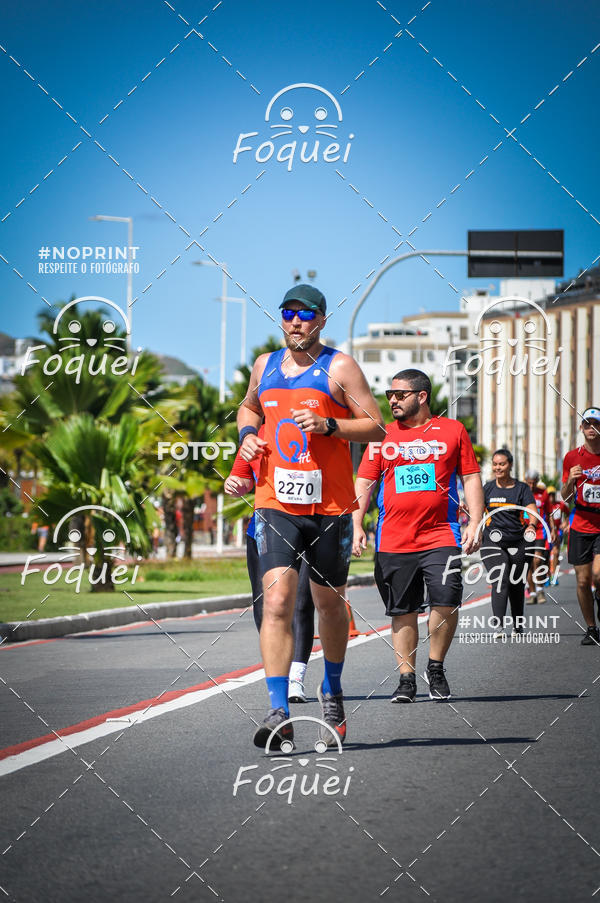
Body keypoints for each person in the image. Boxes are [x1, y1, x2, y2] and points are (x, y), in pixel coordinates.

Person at [238, 284, 384, 748]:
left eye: (305, 315)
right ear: (281, 318)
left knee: (328, 605)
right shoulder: (264, 366)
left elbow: (377, 425)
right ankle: (278, 708)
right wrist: (246, 435)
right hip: (275, 503)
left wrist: (330, 426)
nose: (296, 322)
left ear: (321, 320)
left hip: (331, 508)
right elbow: (249, 406)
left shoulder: (339, 367)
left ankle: (333, 685)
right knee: (278, 601)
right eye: (288, 313)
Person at [352, 369, 484, 703]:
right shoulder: (380, 435)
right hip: (393, 539)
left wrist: (475, 520)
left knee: (447, 597)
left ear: (421, 396)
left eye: (399, 394)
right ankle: (407, 678)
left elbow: (469, 477)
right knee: (403, 610)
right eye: (389, 395)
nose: (392, 400)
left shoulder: (453, 430)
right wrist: (356, 525)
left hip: (440, 534)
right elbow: (365, 482)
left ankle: (435, 667)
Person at [224, 430, 315, 703]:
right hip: (265, 529)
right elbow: (242, 480)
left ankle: (296, 677)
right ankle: (279, 674)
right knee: (264, 604)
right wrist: (234, 484)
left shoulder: (314, 429)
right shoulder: (255, 437)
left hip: (311, 527)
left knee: (300, 602)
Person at [480, 449, 538, 639]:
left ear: (510, 465)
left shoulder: (521, 488)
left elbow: (531, 510)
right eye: (495, 464)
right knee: (500, 576)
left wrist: (531, 526)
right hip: (492, 541)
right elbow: (477, 509)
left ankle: (518, 625)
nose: (498, 467)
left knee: (516, 582)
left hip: (519, 541)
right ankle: (498, 626)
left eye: (502, 464)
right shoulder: (487, 488)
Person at [561, 407, 600, 645]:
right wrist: (569, 480)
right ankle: (592, 627)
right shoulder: (572, 457)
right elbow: (565, 496)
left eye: (595, 424)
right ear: (581, 428)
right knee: (583, 581)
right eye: (587, 424)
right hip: (581, 523)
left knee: (598, 574)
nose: (591, 428)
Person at [523, 470, 553, 604]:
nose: (531, 486)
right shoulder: (521, 492)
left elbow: (549, 512)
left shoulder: (543, 494)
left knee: (537, 560)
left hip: (540, 531)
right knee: (528, 564)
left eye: (533, 483)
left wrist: (552, 529)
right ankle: (533, 592)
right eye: (528, 483)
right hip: (524, 532)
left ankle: (540, 589)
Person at [547, 486, 570, 585]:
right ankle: (548, 576)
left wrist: (565, 523)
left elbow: (568, 513)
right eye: (549, 495)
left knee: (556, 553)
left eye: (552, 495)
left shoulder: (560, 505)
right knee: (546, 555)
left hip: (557, 532)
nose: (551, 497)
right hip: (546, 531)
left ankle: (554, 576)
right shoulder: (545, 505)